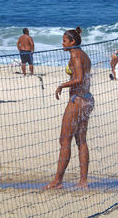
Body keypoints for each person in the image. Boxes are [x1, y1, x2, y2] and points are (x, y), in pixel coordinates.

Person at [43, 27, 94, 189]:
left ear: (72, 42)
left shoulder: (75, 55)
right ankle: (83, 182)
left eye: (64, 41)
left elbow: (78, 78)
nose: (62, 43)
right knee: (81, 141)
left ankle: (58, 181)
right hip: (87, 99)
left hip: (77, 101)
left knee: (64, 140)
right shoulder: (83, 54)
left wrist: (62, 85)